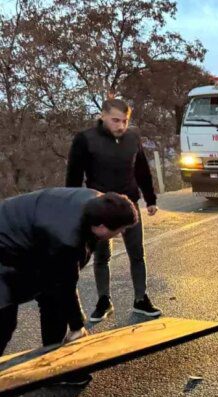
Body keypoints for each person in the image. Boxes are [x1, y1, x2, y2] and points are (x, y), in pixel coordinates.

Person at [0, 188, 138, 359]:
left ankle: (53, 362)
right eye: (121, 228)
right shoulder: (66, 238)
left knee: (53, 299)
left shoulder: (98, 204)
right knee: (4, 321)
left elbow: (61, 281)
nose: (122, 232)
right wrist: (77, 326)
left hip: (29, 244)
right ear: (101, 227)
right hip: (7, 244)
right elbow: (66, 283)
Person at [66, 99, 162, 321]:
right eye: (115, 120)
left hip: (129, 206)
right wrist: (72, 206)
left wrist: (150, 199)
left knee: (137, 254)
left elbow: (141, 169)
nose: (121, 125)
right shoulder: (85, 139)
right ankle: (103, 301)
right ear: (103, 116)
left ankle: (141, 299)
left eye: (125, 120)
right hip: (100, 207)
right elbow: (73, 175)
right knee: (102, 256)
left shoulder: (133, 137)